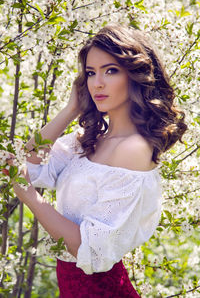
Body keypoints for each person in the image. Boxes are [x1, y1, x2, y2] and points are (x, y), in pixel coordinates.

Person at [6, 24, 187, 297]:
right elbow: (31, 164)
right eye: (91, 73)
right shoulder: (91, 138)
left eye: (110, 71)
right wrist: (70, 109)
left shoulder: (133, 150)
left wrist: (30, 196)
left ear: (134, 76)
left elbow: (89, 249)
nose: (97, 83)